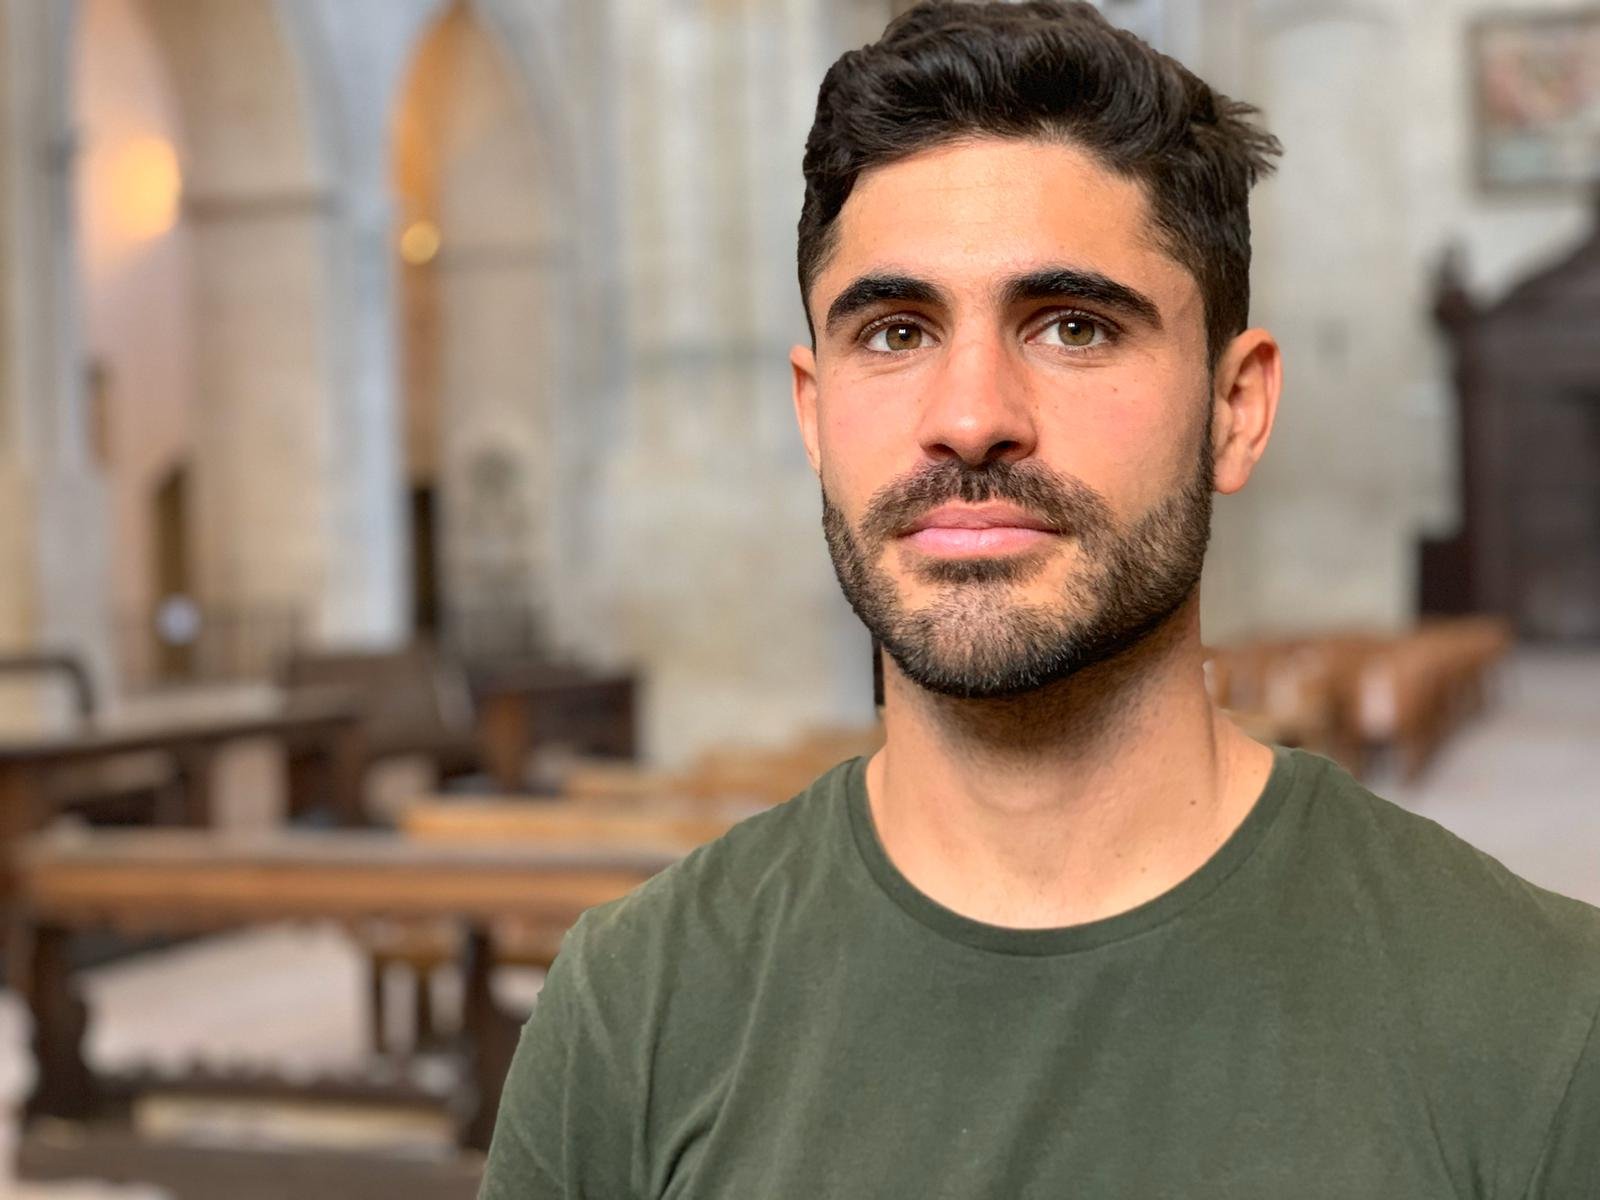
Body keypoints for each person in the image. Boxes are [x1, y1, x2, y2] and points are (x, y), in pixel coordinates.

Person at [480, 3, 1600, 1195]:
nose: (970, 417)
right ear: (814, 414)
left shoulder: (1542, 1021)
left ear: (1234, 409)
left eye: (1072, 326)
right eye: (895, 332)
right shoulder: (633, 1003)